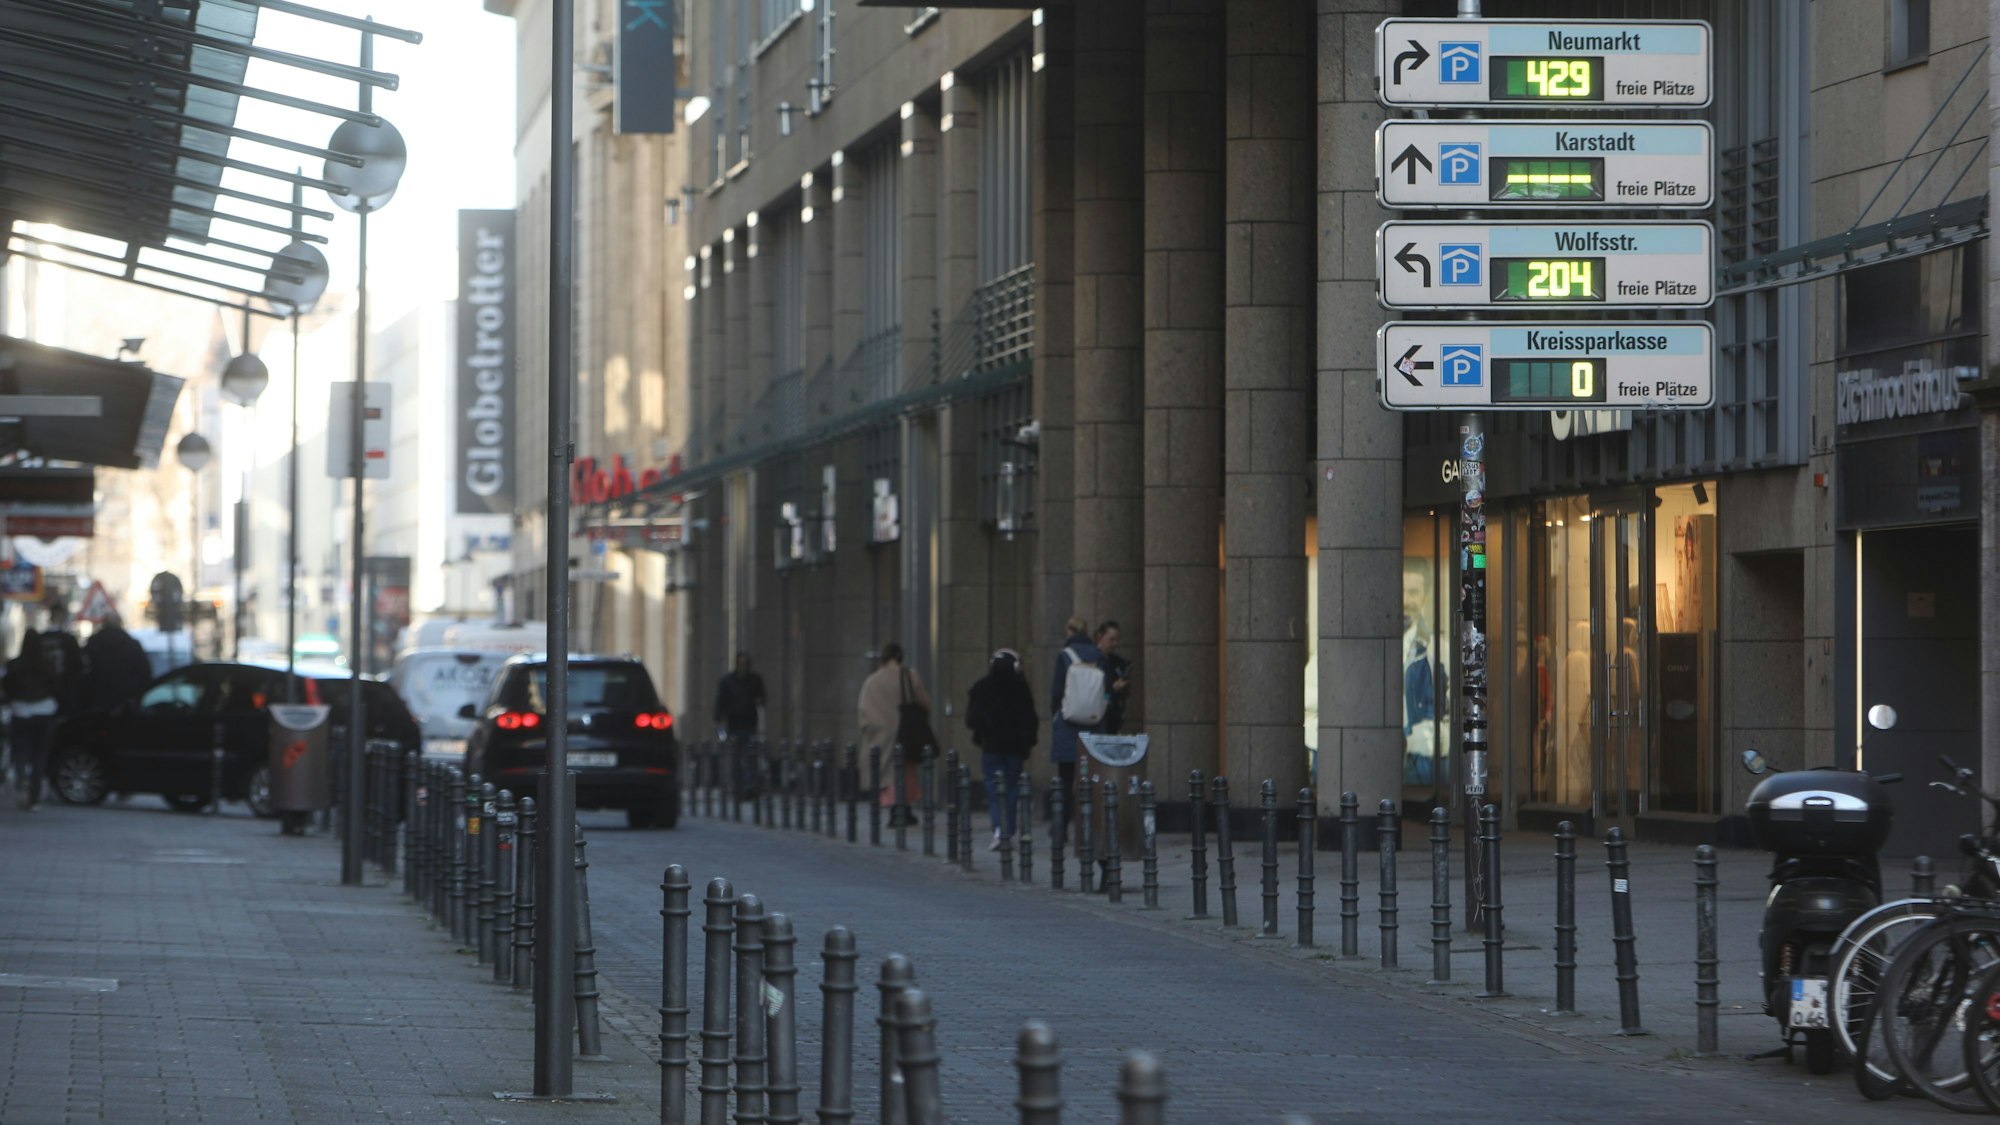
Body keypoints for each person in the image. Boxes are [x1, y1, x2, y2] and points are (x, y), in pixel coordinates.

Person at [966, 648, 1037, 850]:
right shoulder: (1021, 689)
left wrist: (984, 732)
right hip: (1014, 748)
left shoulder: (982, 688)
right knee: (1012, 787)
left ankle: (999, 829)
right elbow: (1030, 721)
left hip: (991, 747)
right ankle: (1009, 828)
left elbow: (971, 719)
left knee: (993, 787)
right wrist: (1027, 744)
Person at [857, 644, 927, 821]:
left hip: (881, 733)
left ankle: (894, 806)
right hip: (907, 730)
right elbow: (923, 703)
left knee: (887, 772)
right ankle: (904, 807)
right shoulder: (909, 675)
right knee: (906, 769)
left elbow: (863, 710)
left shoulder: (872, 681)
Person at [1049, 616, 1104, 838]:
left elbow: (1056, 692)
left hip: (1067, 725)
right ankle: (1089, 828)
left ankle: (1061, 827)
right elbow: (1106, 688)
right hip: (1094, 725)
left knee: (1064, 780)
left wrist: (1057, 714)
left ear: (1070, 632)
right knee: (1091, 780)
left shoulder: (1065, 656)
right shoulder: (1099, 656)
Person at [7, 628, 59, 810]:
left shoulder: (15, 665)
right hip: (45, 711)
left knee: (21, 752)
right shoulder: (47, 665)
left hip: (21, 711)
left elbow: (8, 689)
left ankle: (21, 784)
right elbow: (57, 687)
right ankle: (34, 797)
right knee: (39, 756)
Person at [713, 653, 766, 800]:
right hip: (733, 724)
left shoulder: (754, 680)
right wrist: (718, 721)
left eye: (745, 663)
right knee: (735, 759)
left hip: (749, 724)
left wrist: (758, 702)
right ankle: (737, 788)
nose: (743, 666)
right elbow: (720, 702)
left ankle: (749, 787)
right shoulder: (727, 681)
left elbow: (761, 699)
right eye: (740, 663)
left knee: (749, 757)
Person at [84, 612, 152, 712]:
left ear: (103, 624)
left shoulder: (93, 644)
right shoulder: (132, 644)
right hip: (127, 701)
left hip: (98, 701)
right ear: (120, 623)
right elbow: (145, 673)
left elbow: (83, 669)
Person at [1094, 620, 1133, 735]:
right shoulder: (1091, 659)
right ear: (1100, 637)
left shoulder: (1117, 662)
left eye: (1116, 640)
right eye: (1111, 640)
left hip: (1113, 717)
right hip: (1096, 716)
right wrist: (1112, 688)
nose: (1115, 643)